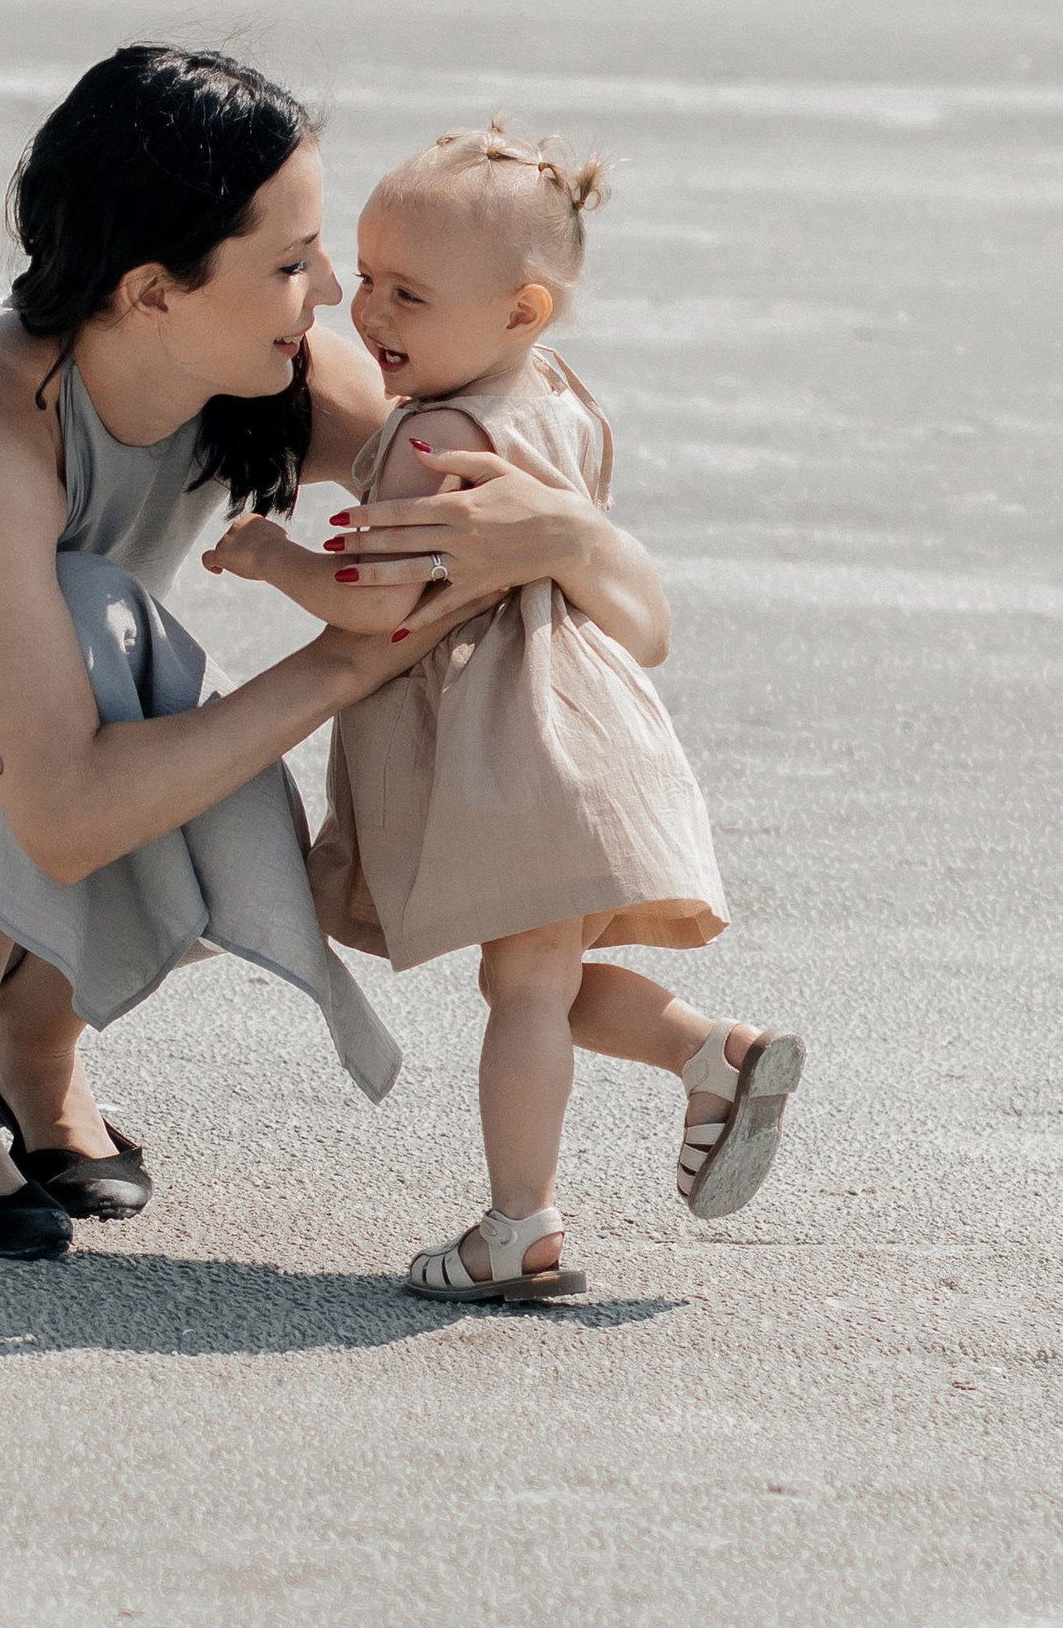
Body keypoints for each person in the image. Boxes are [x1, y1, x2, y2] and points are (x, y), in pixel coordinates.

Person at [0, 46, 675, 1259]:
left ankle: (33, 1051)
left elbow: (635, 622)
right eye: (291, 262)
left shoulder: (270, 368)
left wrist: (568, 532)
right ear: (151, 291)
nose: (332, 291)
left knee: (188, 736)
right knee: (107, 634)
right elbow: (66, 811)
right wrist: (342, 664)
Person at [200, 124, 805, 1303]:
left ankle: (517, 1226)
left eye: (407, 293)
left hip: (505, 741)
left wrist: (275, 555)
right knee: (535, 973)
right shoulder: (563, 402)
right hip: (586, 724)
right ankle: (714, 1056)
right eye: (365, 277)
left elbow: (376, 605)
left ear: (519, 310)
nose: (366, 312)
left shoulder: (429, 436)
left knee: (524, 989)